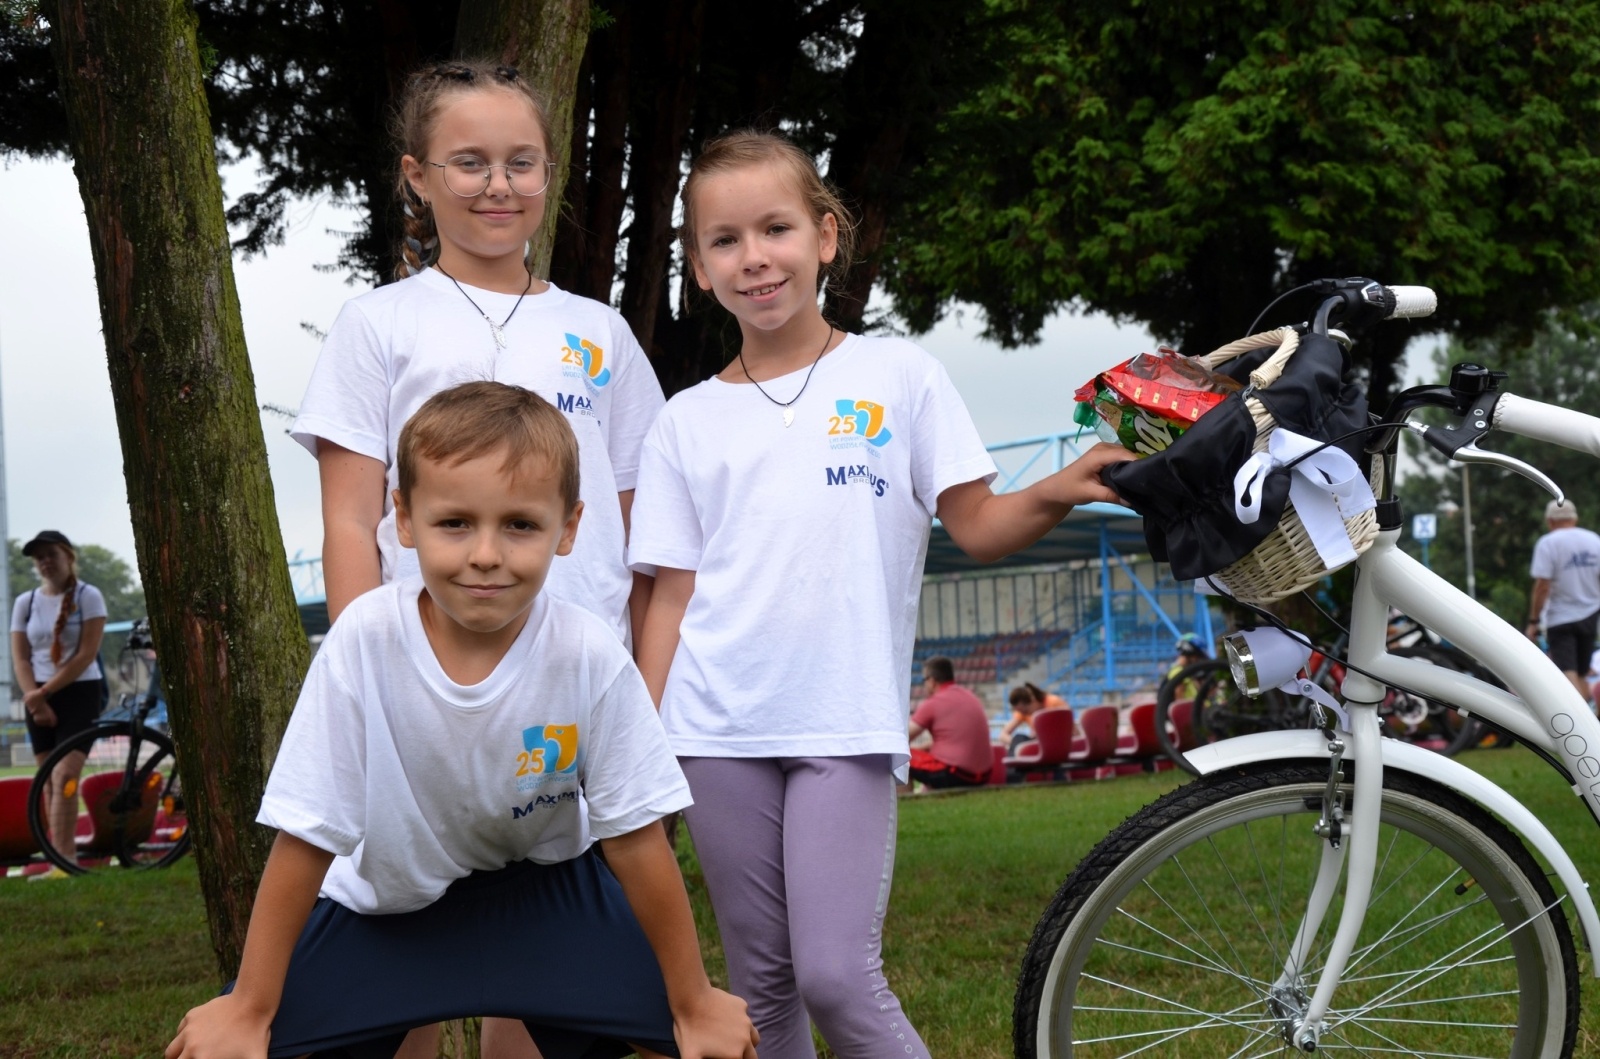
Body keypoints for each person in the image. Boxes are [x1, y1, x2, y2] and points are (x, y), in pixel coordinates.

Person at [629, 130, 1132, 1059]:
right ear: (698, 267)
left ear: (825, 235)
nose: (755, 258)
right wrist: (641, 745)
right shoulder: (682, 421)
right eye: (726, 240)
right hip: (711, 732)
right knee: (764, 988)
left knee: (835, 974)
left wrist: (1061, 484)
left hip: (842, 725)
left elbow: (976, 523)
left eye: (776, 228)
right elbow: (669, 597)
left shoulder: (900, 378)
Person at [165, 382, 757, 1059]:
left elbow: (636, 838)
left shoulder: (588, 652)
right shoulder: (365, 640)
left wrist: (694, 999)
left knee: (697, 1041)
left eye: (520, 524)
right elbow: (306, 832)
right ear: (405, 519)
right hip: (385, 908)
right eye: (455, 523)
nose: (485, 553)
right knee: (246, 1045)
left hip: (548, 894)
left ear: (567, 527)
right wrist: (249, 1004)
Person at [288, 58, 665, 1056]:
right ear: (416, 175)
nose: (497, 185)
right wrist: (362, 667)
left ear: (551, 172)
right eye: (468, 162)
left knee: (540, 925)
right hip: (425, 685)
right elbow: (347, 517)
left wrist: (641, 678)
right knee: (406, 920)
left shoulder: (601, 332)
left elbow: (643, 522)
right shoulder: (378, 325)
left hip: (567, 688)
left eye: (520, 162)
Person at [11, 530, 107, 879]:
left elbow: (85, 655)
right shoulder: (26, 602)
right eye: (39, 558)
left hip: (79, 692)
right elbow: (20, 657)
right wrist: (34, 700)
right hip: (35, 695)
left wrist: (45, 693)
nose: (45, 562)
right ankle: (55, 857)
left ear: (68, 557)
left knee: (65, 775)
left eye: (51, 554)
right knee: (48, 781)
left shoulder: (89, 596)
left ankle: (66, 861)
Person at [1526, 498, 1600, 710]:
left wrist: (1534, 620)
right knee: (1582, 673)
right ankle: (1592, 725)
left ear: (1550, 521)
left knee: (1568, 673)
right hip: (1590, 614)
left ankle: (1583, 726)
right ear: (1574, 517)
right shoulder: (1594, 540)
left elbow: (1542, 586)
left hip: (1561, 617)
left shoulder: (1548, 543)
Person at [906, 657, 993, 789]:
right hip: (984, 774)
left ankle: (906, 804)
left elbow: (901, 739)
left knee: (898, 758)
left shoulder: (933, 703)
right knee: (930, 765)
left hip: (955, 772)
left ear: (931, 681)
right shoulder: (969, 696)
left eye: (924, 680)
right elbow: (956, 741)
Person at [999, 682, 1069, 751]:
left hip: (1058, 744)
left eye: (1025, 711)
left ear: (1033, 700)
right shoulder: (1023, 713)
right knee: (1019, 738)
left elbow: (1071, 729)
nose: (1024, 714)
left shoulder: (1053, 703)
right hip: (1040, 745)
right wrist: (1019, 744)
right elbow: (1003, 735)